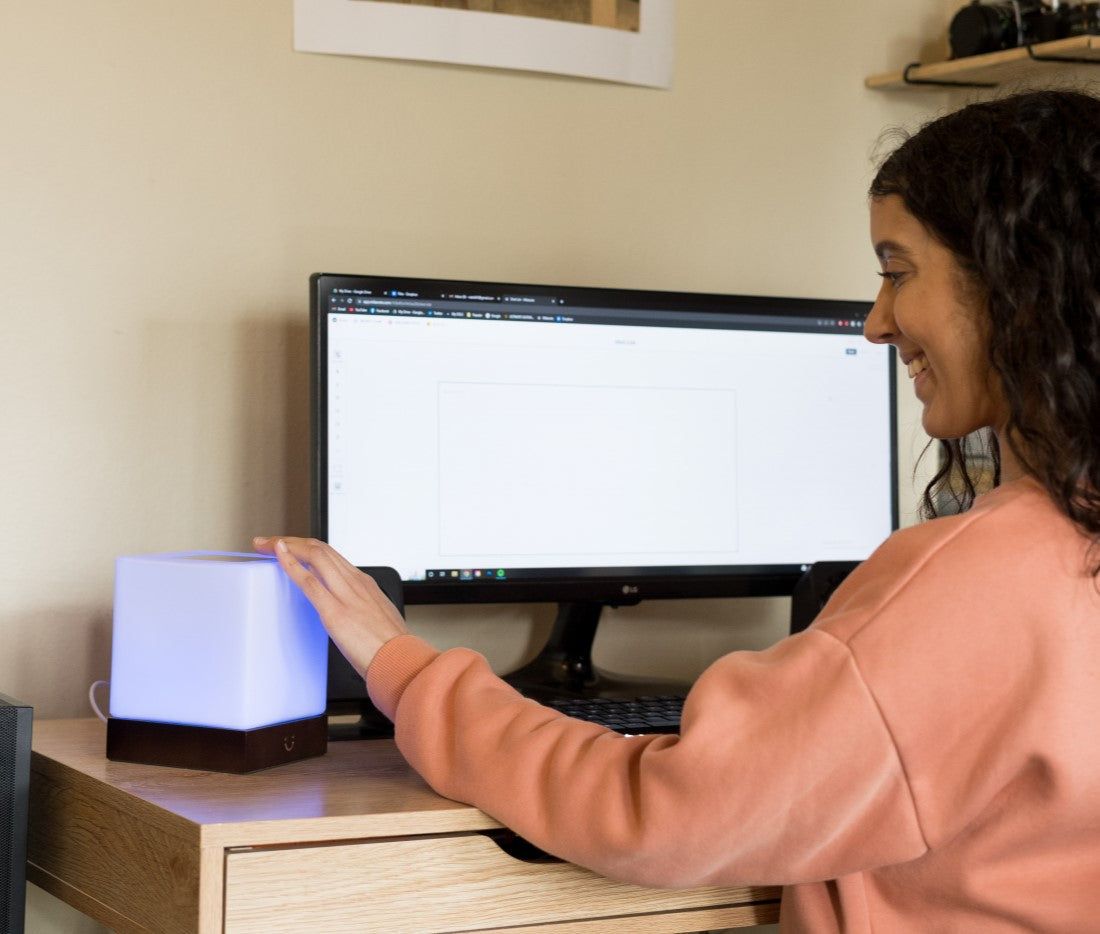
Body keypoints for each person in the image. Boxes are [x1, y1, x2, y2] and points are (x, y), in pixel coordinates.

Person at [255, 89, 1100, 933]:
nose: (877, 323)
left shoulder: (983, 578)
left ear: (1015, 284)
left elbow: (664, 812)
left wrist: (400, 666)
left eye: (897, 273)